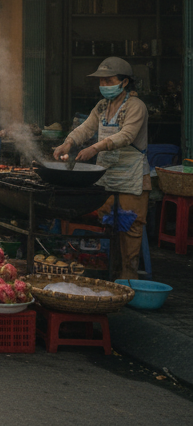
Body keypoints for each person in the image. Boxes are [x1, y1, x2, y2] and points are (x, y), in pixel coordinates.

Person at [53, 56, 150, 279]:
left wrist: (95, 148)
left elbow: (126, 136)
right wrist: (68, 142)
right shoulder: (102, 105)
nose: (103, 86)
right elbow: (86, 128)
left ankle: (128, 278)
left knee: (131, 228)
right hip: (106, 176)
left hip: (131, 178)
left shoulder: (136, 106)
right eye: (101, 82)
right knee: (108, 225)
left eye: (108, 81)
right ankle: (110, 275)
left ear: (124, 82)